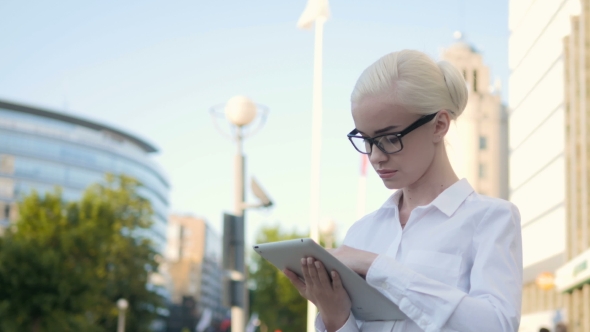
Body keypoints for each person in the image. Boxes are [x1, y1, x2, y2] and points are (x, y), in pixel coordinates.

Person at [284, 49, 523, 332]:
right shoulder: (361, 232)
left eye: (388, 138)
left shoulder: (491, 218)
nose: (375, 156)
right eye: (366, 139)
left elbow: (496, 325)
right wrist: (335, 316)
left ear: (440, 125)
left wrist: (377, 266)